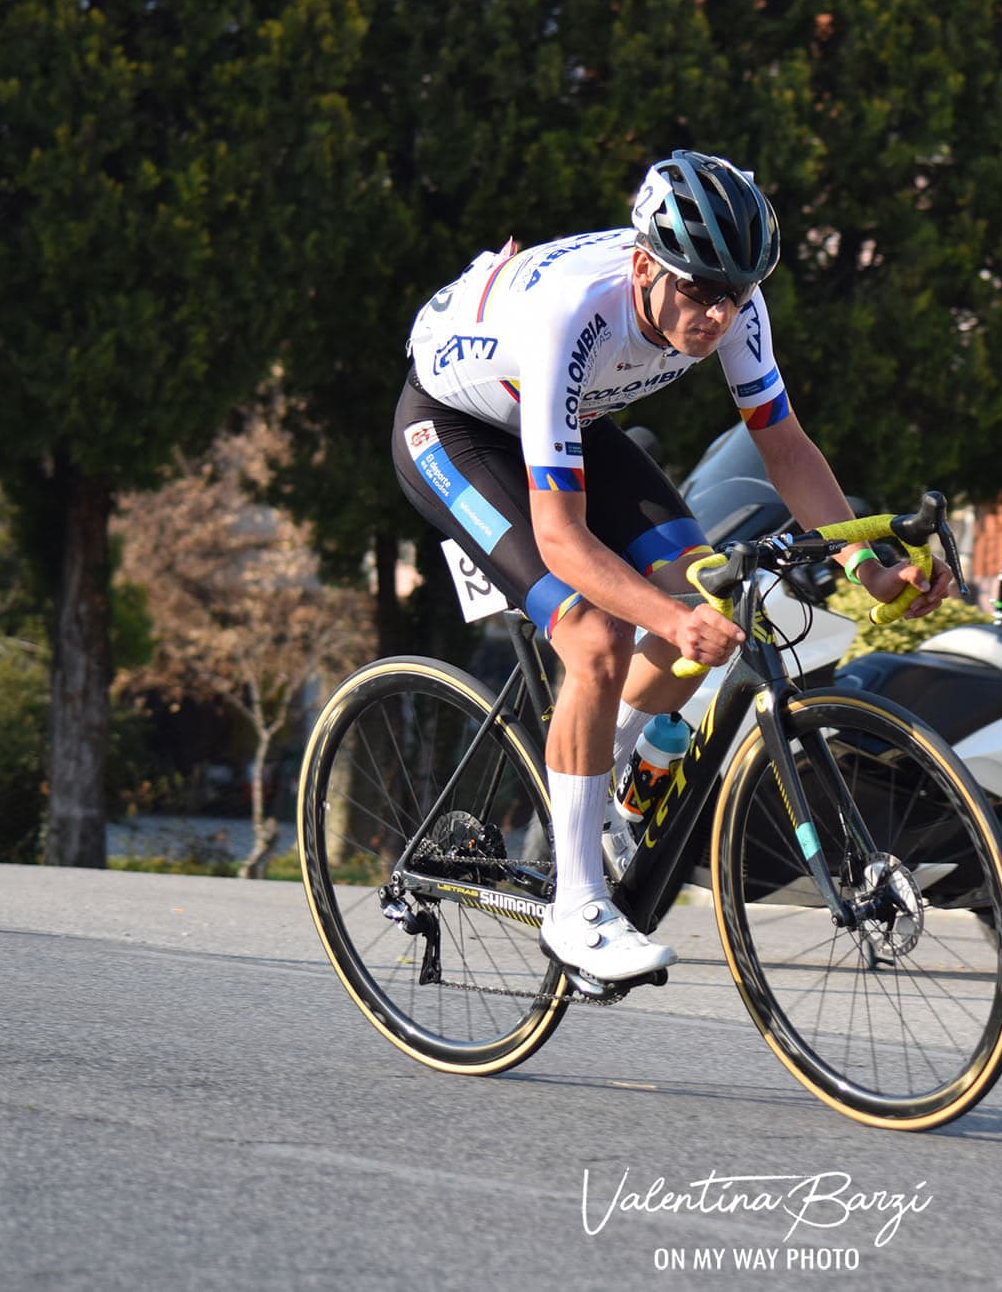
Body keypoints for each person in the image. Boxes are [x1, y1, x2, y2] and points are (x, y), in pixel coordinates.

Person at [391, 149, 952, 983]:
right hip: (454, 429)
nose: (718, 315)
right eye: (699, 292)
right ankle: (576, 910)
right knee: (595, 635)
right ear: (647, 264)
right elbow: (562, 541)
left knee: (708, 588)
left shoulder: (731, 299)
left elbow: (785, 445)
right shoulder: (574, 314)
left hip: (568, 417)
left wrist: (865, 563)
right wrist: (661, 617)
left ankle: (598, 789)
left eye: (735, 294)